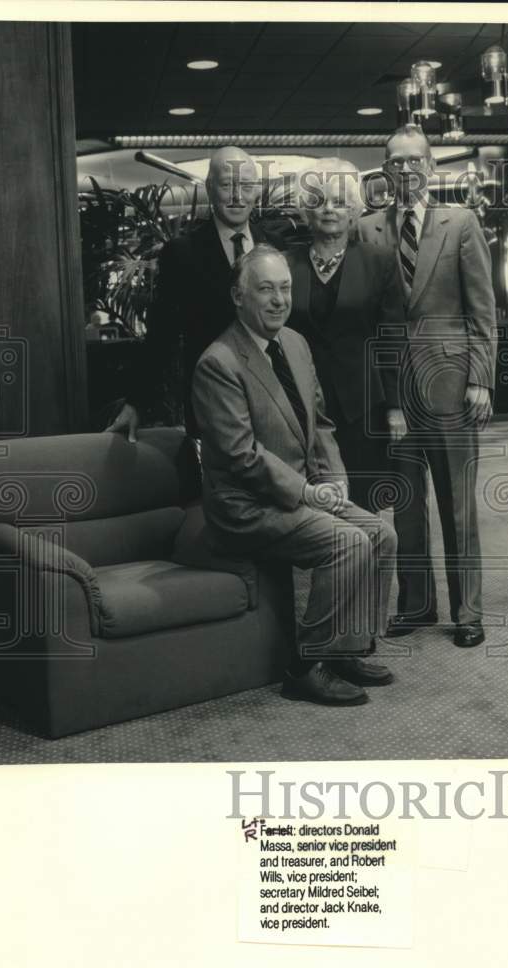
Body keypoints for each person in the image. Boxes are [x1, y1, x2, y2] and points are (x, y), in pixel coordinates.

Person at [191, 245, 398, 706]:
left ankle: (346, 649)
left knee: (381, 535)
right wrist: (307, 491)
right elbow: (242, 456)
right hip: (246, 508)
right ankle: (305, 666)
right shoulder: (218, 363)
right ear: (238, 296)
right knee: (348, 542)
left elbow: (320, 425)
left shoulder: (296, 344)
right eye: (265, 289)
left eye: (285, 288)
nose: (279, 299)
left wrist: (336, 480)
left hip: (303, 493)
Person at [359, 125, 497, 649]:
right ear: (385, 170)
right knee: (407, 501)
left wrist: (481, 380)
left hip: (452, 383)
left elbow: (483, 311)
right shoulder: (369, 229)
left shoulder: (460, 222)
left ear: (432, 167)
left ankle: (468, 612)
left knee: (458, 501)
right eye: (396, 162)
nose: (407, 170)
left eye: (416, 160)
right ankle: (416, 604)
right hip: (395, 390)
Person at [108, 146, 283, 441]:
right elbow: (161, 333)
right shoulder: (182, 254)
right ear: (209, 188)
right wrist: (137, 403)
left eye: (246, 186)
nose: (237, 196)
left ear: (257, 191)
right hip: (210, 404)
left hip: (276, 403)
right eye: (227, 185)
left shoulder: (277, 246)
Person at [286, 158, 408, 512]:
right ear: (307, 210)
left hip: (363, 406)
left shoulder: (379, 261)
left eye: (339, 201)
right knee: (315, 510)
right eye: (319, 200)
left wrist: (396, 407)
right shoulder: (286, 264)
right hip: (303, 408)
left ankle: (367, 570)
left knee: (363, 507)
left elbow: (392, 339)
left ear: (353, 210)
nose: (329, 210)